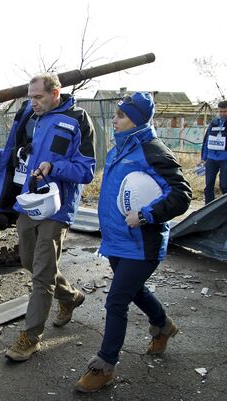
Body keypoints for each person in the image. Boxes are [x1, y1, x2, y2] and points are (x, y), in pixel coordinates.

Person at [75, 92, 192, 392]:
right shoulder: (119, 149)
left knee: (116, 300)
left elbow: (182, 195)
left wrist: (147, 214)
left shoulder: (154, 151)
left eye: (122, 116)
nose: (114, 119)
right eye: (116, 114)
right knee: (135, 291)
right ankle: (164, 326)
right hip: (116, 242)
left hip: (142, 245)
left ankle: (104, 366)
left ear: (137, 120)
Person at [0, 73, 96, 361]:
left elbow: (86, 170)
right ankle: (69, 297)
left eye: (38, 97)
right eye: (30, 97)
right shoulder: (32, 117)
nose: (33, 102)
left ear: (56, 93)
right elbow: (26, 155)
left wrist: (53, 166)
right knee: (29, 261)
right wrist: (0, 155)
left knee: (41, 276)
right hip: (30, 203)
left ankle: (30, 338)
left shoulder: (78, 120)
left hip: (57, 206)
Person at [201, 100, 227, 204]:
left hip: (225, 159)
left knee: (224, 185)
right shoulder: (214, 122)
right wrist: (203, 157)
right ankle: (207, 209)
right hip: (211, 158)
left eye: (225, 111)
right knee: (209, 185)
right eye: (220, 111)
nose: (222, 114)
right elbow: (206, 140)